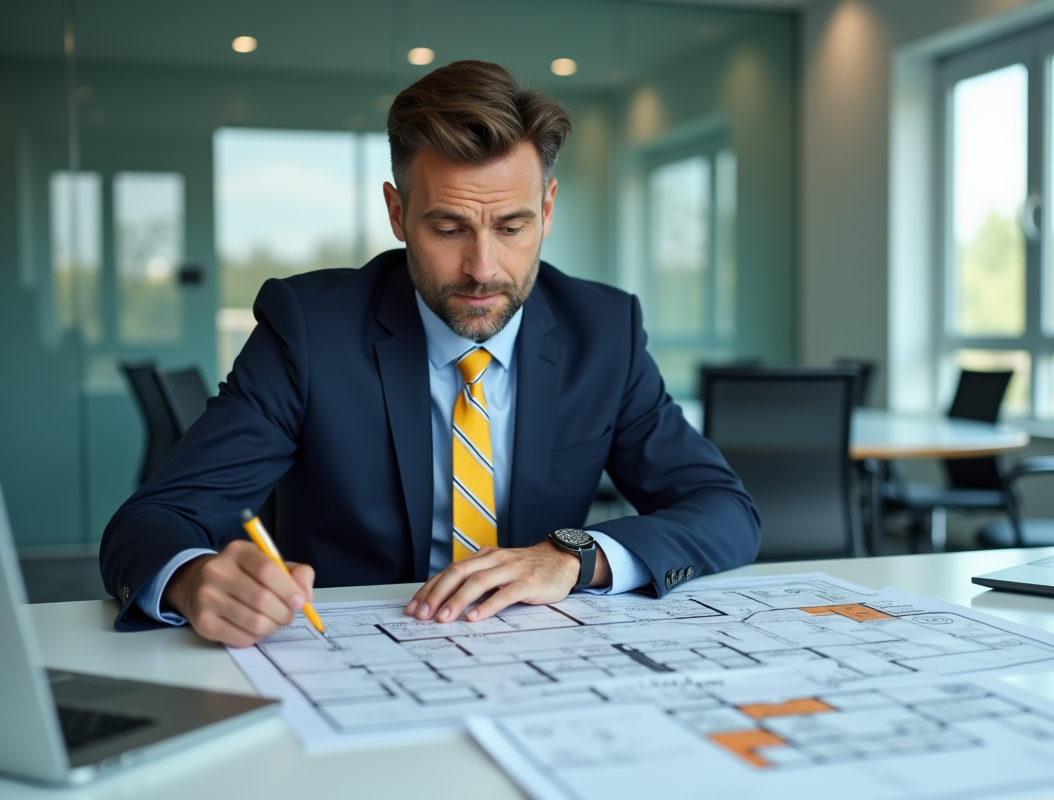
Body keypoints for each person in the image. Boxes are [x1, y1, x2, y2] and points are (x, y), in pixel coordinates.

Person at [100, 60, 760, 647]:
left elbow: (724, 510)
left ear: (548, 209)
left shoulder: (602, 330)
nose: (482, 268)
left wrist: (572, 557)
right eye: (448, 228)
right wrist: (191, 577)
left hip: (541, 654)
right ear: (397, 212)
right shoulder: (310, 329)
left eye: (512, 227)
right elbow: (152, 521)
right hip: (347, 656)